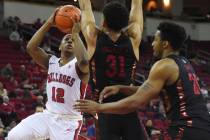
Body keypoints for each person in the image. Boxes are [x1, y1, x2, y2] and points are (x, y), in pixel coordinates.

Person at [74, 22, 210, 140]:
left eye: (155, 40)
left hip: (185, 129)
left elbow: (136, 102)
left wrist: (99, 107)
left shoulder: (164, 65)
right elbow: (149, 90)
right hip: (204, 128)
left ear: (165, 44)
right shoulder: (185, 63)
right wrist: (121, 88)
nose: (152, 43)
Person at [7, 8, 90, 140]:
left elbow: (85, 62)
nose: (70, 41)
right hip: (48, 115)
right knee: (14, 136)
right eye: (66, 39)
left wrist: (75, 34)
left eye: (73, 40)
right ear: (59, 46)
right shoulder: (51, 61)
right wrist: (49, 23)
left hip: (68, 121)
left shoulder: (79, 66)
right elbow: (31, 48)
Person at [78, 0, 147, 139]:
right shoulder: (134, 38)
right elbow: (137, 5)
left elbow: (85, 7)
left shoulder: (93, 37)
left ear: (103, 22)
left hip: (104, 109)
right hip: (128, 106)